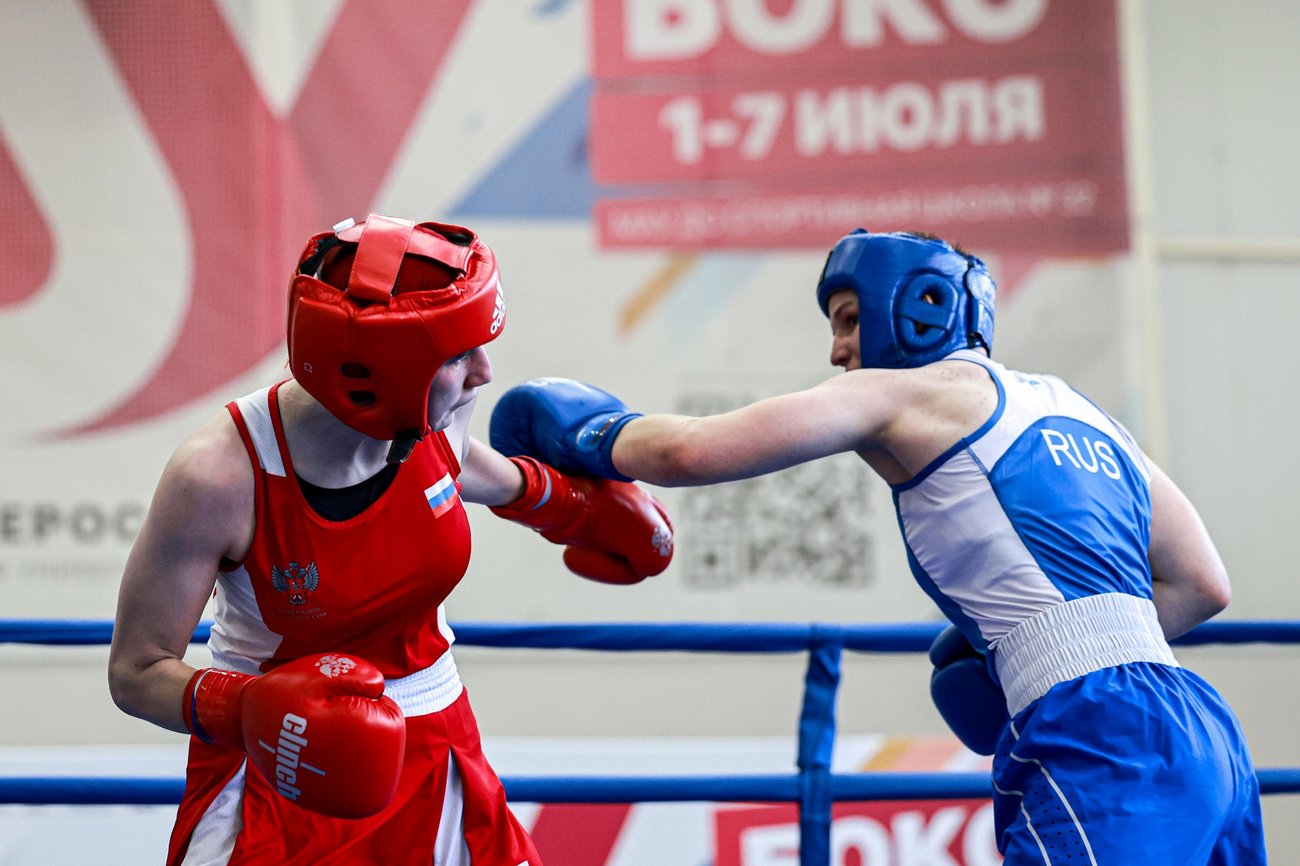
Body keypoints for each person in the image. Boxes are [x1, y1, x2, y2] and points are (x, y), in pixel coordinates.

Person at [488, 228, 1267, 864]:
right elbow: (1204, 584)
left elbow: (688, 451)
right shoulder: (1087, 414)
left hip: (1100, 736)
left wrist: (591, 434)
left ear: (918, 307)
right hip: (1204, 732)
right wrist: (1039, 645)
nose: (838, 351)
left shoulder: (907, 394)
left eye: (849, 320)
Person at [107, 213, 674, 866]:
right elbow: (135, 672)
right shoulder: (219, 475)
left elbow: (459, 465)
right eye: (457, 355)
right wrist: (246, 710)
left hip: (438, 744)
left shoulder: (434, 410)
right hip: (279, 763)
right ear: (380, 373)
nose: (484, 373)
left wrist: (573, 507)